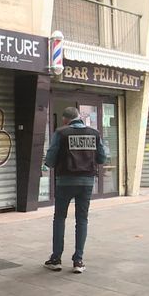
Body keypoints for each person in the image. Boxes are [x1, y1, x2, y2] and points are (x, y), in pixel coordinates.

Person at [44, 107, 106, 273]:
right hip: (87, 182)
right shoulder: (94, 133)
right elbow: (102, 157)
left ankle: (56, 258)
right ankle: (78, 260)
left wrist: (52, 163)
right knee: (82, 219)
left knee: (60, 218)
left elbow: (50, 159)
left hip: (65, 181)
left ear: (65, 120)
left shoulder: (61, 133)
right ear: (80, 117)